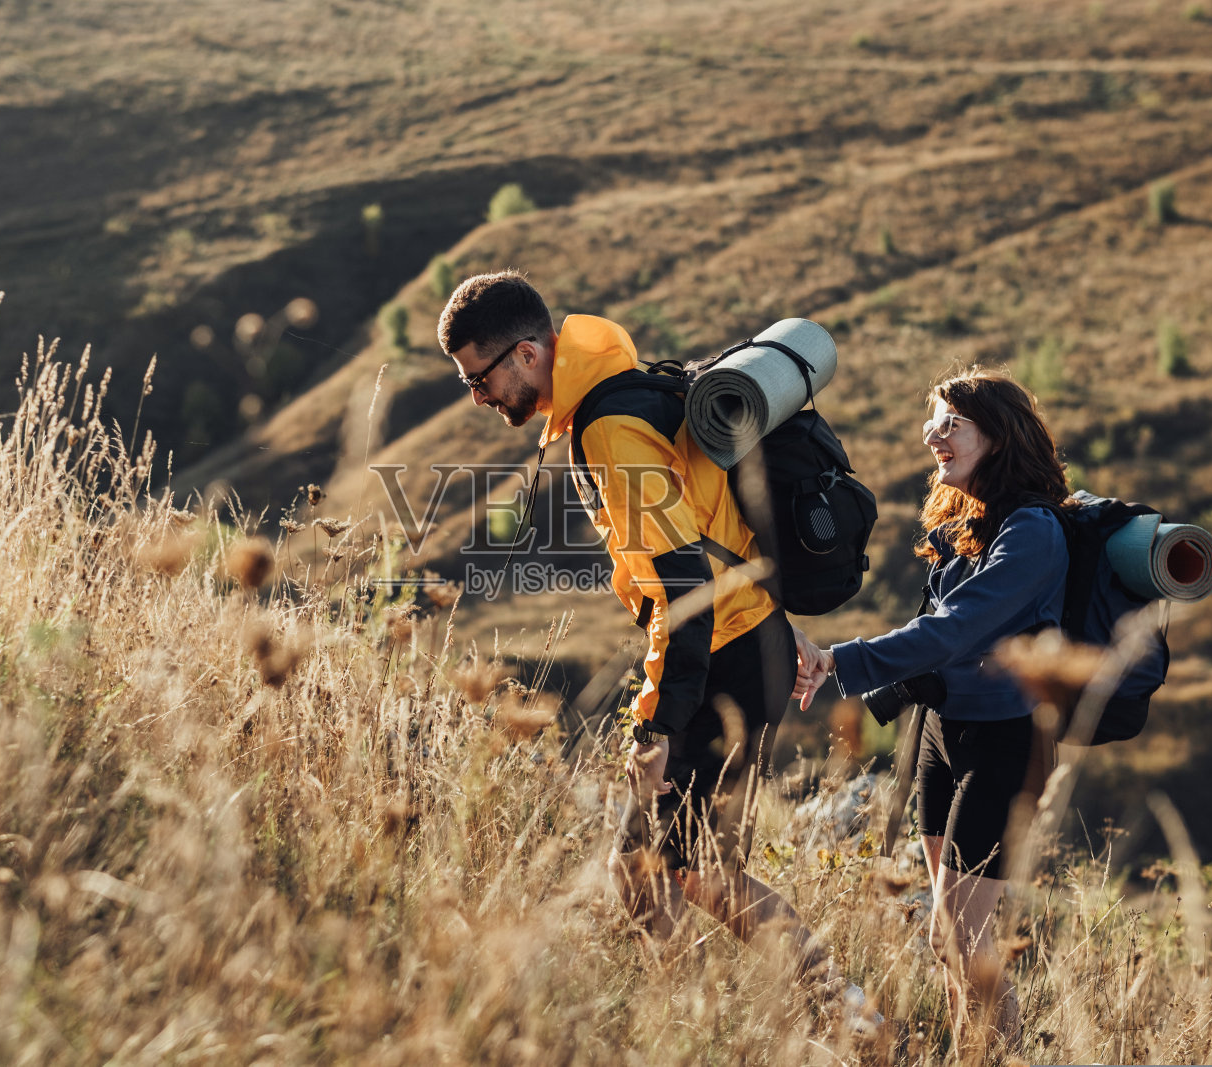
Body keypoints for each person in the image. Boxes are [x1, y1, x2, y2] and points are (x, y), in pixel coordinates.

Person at [436, 270, 845, 987]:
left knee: (685, 866)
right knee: (649, 864)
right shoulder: (624, 391)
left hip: (723, 656)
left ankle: (849, 1013)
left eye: (480, 378)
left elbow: (682, 586)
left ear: (528, 354)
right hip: (744, 639)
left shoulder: (611, 425)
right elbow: (714, 527)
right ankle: (681, 1021)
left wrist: (655, 727)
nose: (478, 397)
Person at [811, 368, 1070, 1054]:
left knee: (966, 939)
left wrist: (841, 660)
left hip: (1005, 740)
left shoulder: (1034, 532)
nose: (933, 435)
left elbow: (957, 627)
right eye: (934, 420)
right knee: (946, 937)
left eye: (951, 423)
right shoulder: (967, 521)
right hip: (943, 732)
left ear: (1000, 435)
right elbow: (938, 625)